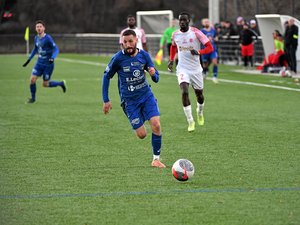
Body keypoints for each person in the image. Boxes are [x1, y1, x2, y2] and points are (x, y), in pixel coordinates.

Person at [102, 29, 165, 168]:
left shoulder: (144, 56)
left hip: (146, 96)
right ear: (122, 43)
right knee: (142, 134)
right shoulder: (118, 58)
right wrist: (106, 99)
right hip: (130, 101)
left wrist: (154, 74)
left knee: (156, 124)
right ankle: (140, 116)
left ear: (136, 40)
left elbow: (156, 78)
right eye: (125, 42)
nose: (128, 44)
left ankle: (156, 159)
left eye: (130, 41)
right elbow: (106, 77)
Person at [168, 12, 213, 132]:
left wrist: (199, 52)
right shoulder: (175, 34)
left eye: (184, 20)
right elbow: (173, 47)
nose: (182, 22)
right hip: (182, 69)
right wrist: (171, 60)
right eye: (180, 20)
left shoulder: (196, 32)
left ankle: (200, 111)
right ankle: (190, 121)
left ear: (189, 21)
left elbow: (210, 47)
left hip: (196, 70)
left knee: (199, 95)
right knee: (184, 91)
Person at [22, 20, 66, 103]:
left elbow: (56, 49)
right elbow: (35, 49)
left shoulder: (48, 38)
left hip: (48, 65)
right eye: (37, 27)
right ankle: (33, 99)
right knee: (32, 80)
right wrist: (29, 59)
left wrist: (52, 58)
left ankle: (61, 84)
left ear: (44, 28)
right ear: (35, 28)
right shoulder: (36, 38)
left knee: (45, 84)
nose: (39, 28)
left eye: (40, 27)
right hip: (39, 64)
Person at [200, 18, 219, 83]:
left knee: (215, 62)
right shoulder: (201, 31)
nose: (206, 23)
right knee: (205, 64)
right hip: (205, 50)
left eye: (207, 21)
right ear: (202, 23)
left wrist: (216, 39)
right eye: (205, 22)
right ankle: (205, 72)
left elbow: (216, 37)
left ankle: (214, 76)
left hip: (212, 49)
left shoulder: (213, 30)